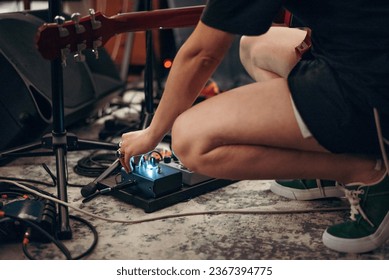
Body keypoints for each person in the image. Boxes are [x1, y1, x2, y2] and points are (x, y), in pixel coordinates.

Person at [118, 0, 389, 254]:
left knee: (190, 139)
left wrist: (152, 133)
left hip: (371, 83)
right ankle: (325, 165)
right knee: (254, 45)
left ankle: (366, 170)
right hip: (358, 51)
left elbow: (201, 54)